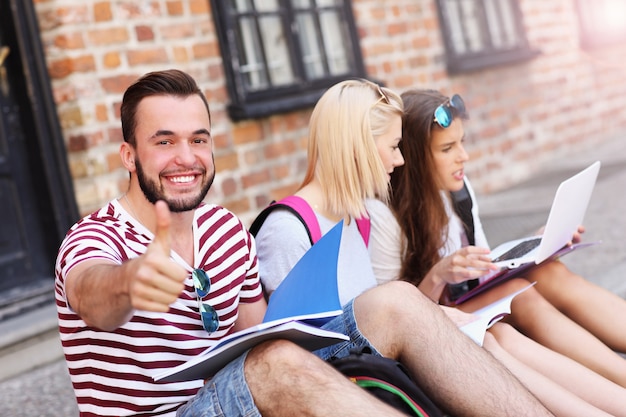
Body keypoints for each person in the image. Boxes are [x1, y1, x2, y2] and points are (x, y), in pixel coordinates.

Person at [54, 69, 431, 417]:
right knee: (279, 363)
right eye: (164, 141)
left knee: (395, 302)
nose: (186, 157)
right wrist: (129, 282)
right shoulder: (93, 237)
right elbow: (91, 295)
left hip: (226, 403)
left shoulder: (228, 230)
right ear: (129, 156)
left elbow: (256, 343)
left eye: (198, 139)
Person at [253, 78, 613, 416]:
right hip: (352, 379)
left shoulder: (354, 216)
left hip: (378, 356)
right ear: (358, 147)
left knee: (488, 336)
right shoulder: (287, 229)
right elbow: (294, 361)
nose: (400, 160)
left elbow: (374, 315)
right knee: (486, 341)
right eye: (393, 147)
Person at [386, 88, 626, 388]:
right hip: (431, 322)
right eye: (447, 149)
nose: (464, 156)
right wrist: (437, 275)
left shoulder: (457, 189)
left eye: (462, 142)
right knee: (519, 294)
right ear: (414, 158)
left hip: (465, 298)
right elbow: (394, 319)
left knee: (548, 270)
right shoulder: (389, 218)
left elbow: (485, 259)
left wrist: (536, 245)